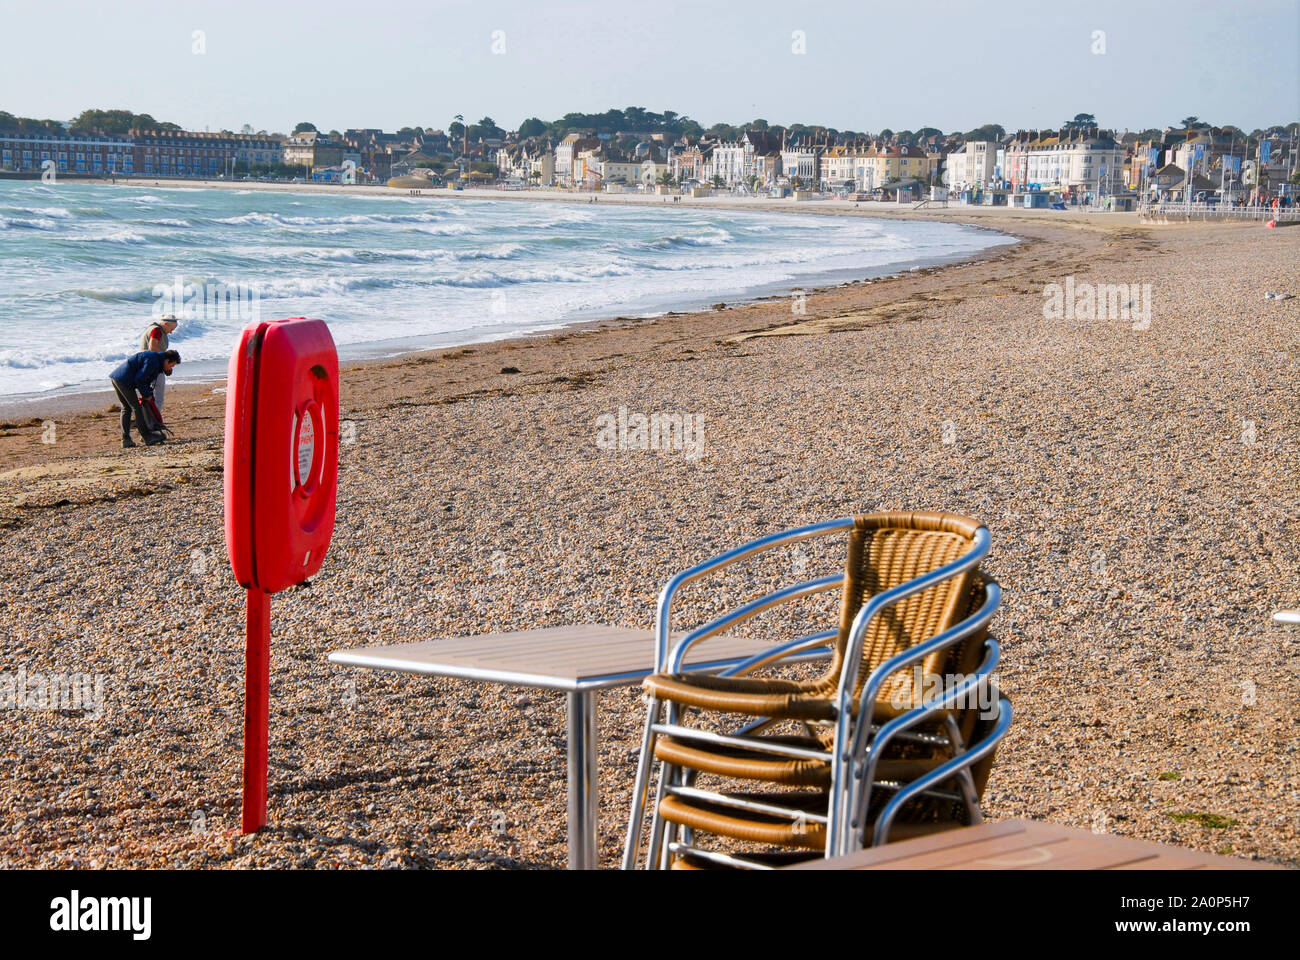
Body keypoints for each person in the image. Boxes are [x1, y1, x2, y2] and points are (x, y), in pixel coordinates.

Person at [109, 349, 180, 448]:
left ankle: (126, 439)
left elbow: (145, 381)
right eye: (171, 366)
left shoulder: (156, 361)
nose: (170, 369)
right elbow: (139, 379)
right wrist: (146, 395)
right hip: (123, 380)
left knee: (126, 408)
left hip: (117, 378)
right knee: (136, 408)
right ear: (167, 360)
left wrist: (148, 394)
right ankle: (146, 436)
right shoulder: (153, 361)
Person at [139, 315, 179, 410]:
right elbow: (153, 348)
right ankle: (155, 420)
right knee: (158, 395)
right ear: (165, 324)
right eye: (171, 329)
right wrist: (164, 364)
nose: (171, 331)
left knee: (148, 394)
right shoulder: (157, 330)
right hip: (152, 365)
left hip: (144, 363)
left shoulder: (151, 328)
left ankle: (145, 418)